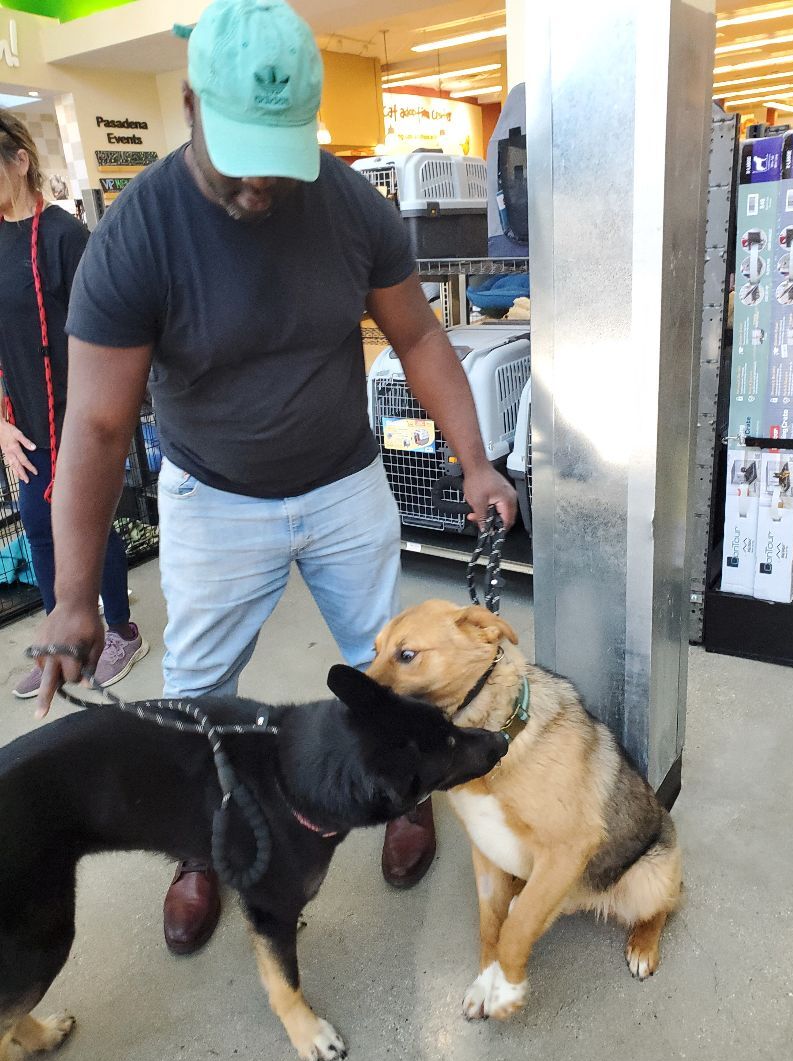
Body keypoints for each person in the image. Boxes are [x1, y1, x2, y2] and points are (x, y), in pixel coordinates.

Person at [32, 0, 517, 957]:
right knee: (202, 690)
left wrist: (474, 458)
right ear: (188, 105)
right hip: (214, 501)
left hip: (343, 486)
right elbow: (92, 424)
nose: (263, 180)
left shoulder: (347, 205)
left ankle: (406, 791)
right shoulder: (136, 241)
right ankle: (204, 850)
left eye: (283, 150)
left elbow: (418, 335)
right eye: (243, 148)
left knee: (399, 667)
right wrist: (74, 596)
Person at [0, 108, 148, 698]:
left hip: (78, 415)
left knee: (87, 524)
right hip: (26, 421)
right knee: (39, 526)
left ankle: (119, 629)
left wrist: (99, 421)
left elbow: (106, 332)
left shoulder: (64, 236)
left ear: (20, 161)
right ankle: (64, 632)